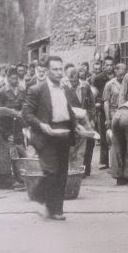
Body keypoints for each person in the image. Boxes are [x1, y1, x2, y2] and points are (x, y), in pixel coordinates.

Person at [22, 56, 83, 220]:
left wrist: (76, 125)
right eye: (54, 69)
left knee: (62, 173)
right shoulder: (37, 90)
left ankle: (56, 209)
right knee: (52, 171)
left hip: (64, 132)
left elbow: (69, 109)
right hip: (46, 134)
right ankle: (39, 197)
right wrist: (41, 125)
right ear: (47, 71)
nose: (58, 72)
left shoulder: (65, 88)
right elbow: (26, 113)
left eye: (60, 69)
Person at [64, 67, 96, 176]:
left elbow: (92, 103)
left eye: (74, 81)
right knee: (72, 146)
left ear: (78, 78)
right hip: (71, 120)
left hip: (85, 119)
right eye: (70, 81)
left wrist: (90, 118)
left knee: (87, 144)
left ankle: (84, 168)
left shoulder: (85, 86)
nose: (72, 83)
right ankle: (73, 169)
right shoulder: (64, 87)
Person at [92, 56, 116, 169]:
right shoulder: (98, 78)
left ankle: (116, 161)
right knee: (103, 136)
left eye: (111, 65)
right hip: (102, 109)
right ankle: (104, 161)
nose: (109, 67)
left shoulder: (117, 78)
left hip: (114, 109)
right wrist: (96, 104)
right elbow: (94, 93)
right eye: (107, 65)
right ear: (103, 66)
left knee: (115, 136)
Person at [103, 63, 127, 163]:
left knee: (124, 139)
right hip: (113, 113)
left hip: (125, 112)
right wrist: (107, 118)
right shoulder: (110, 84)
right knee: (114, 139)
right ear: (115, 72)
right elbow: (106, 102)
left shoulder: (127, 83)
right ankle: (114, 163)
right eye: (120, 74)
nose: (122, 77)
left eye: (124, 74)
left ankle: (123, 163)